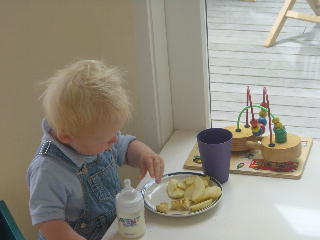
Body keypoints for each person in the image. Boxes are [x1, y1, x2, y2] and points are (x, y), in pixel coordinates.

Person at [27, 60, 164, 240]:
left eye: (115, 132)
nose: (114, 139)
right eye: (106, 139)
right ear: (66, 137)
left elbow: (123, 146)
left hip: (111, 229)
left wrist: (145, 155)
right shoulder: (47, 170)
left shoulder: (95, 137)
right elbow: (49, 224)